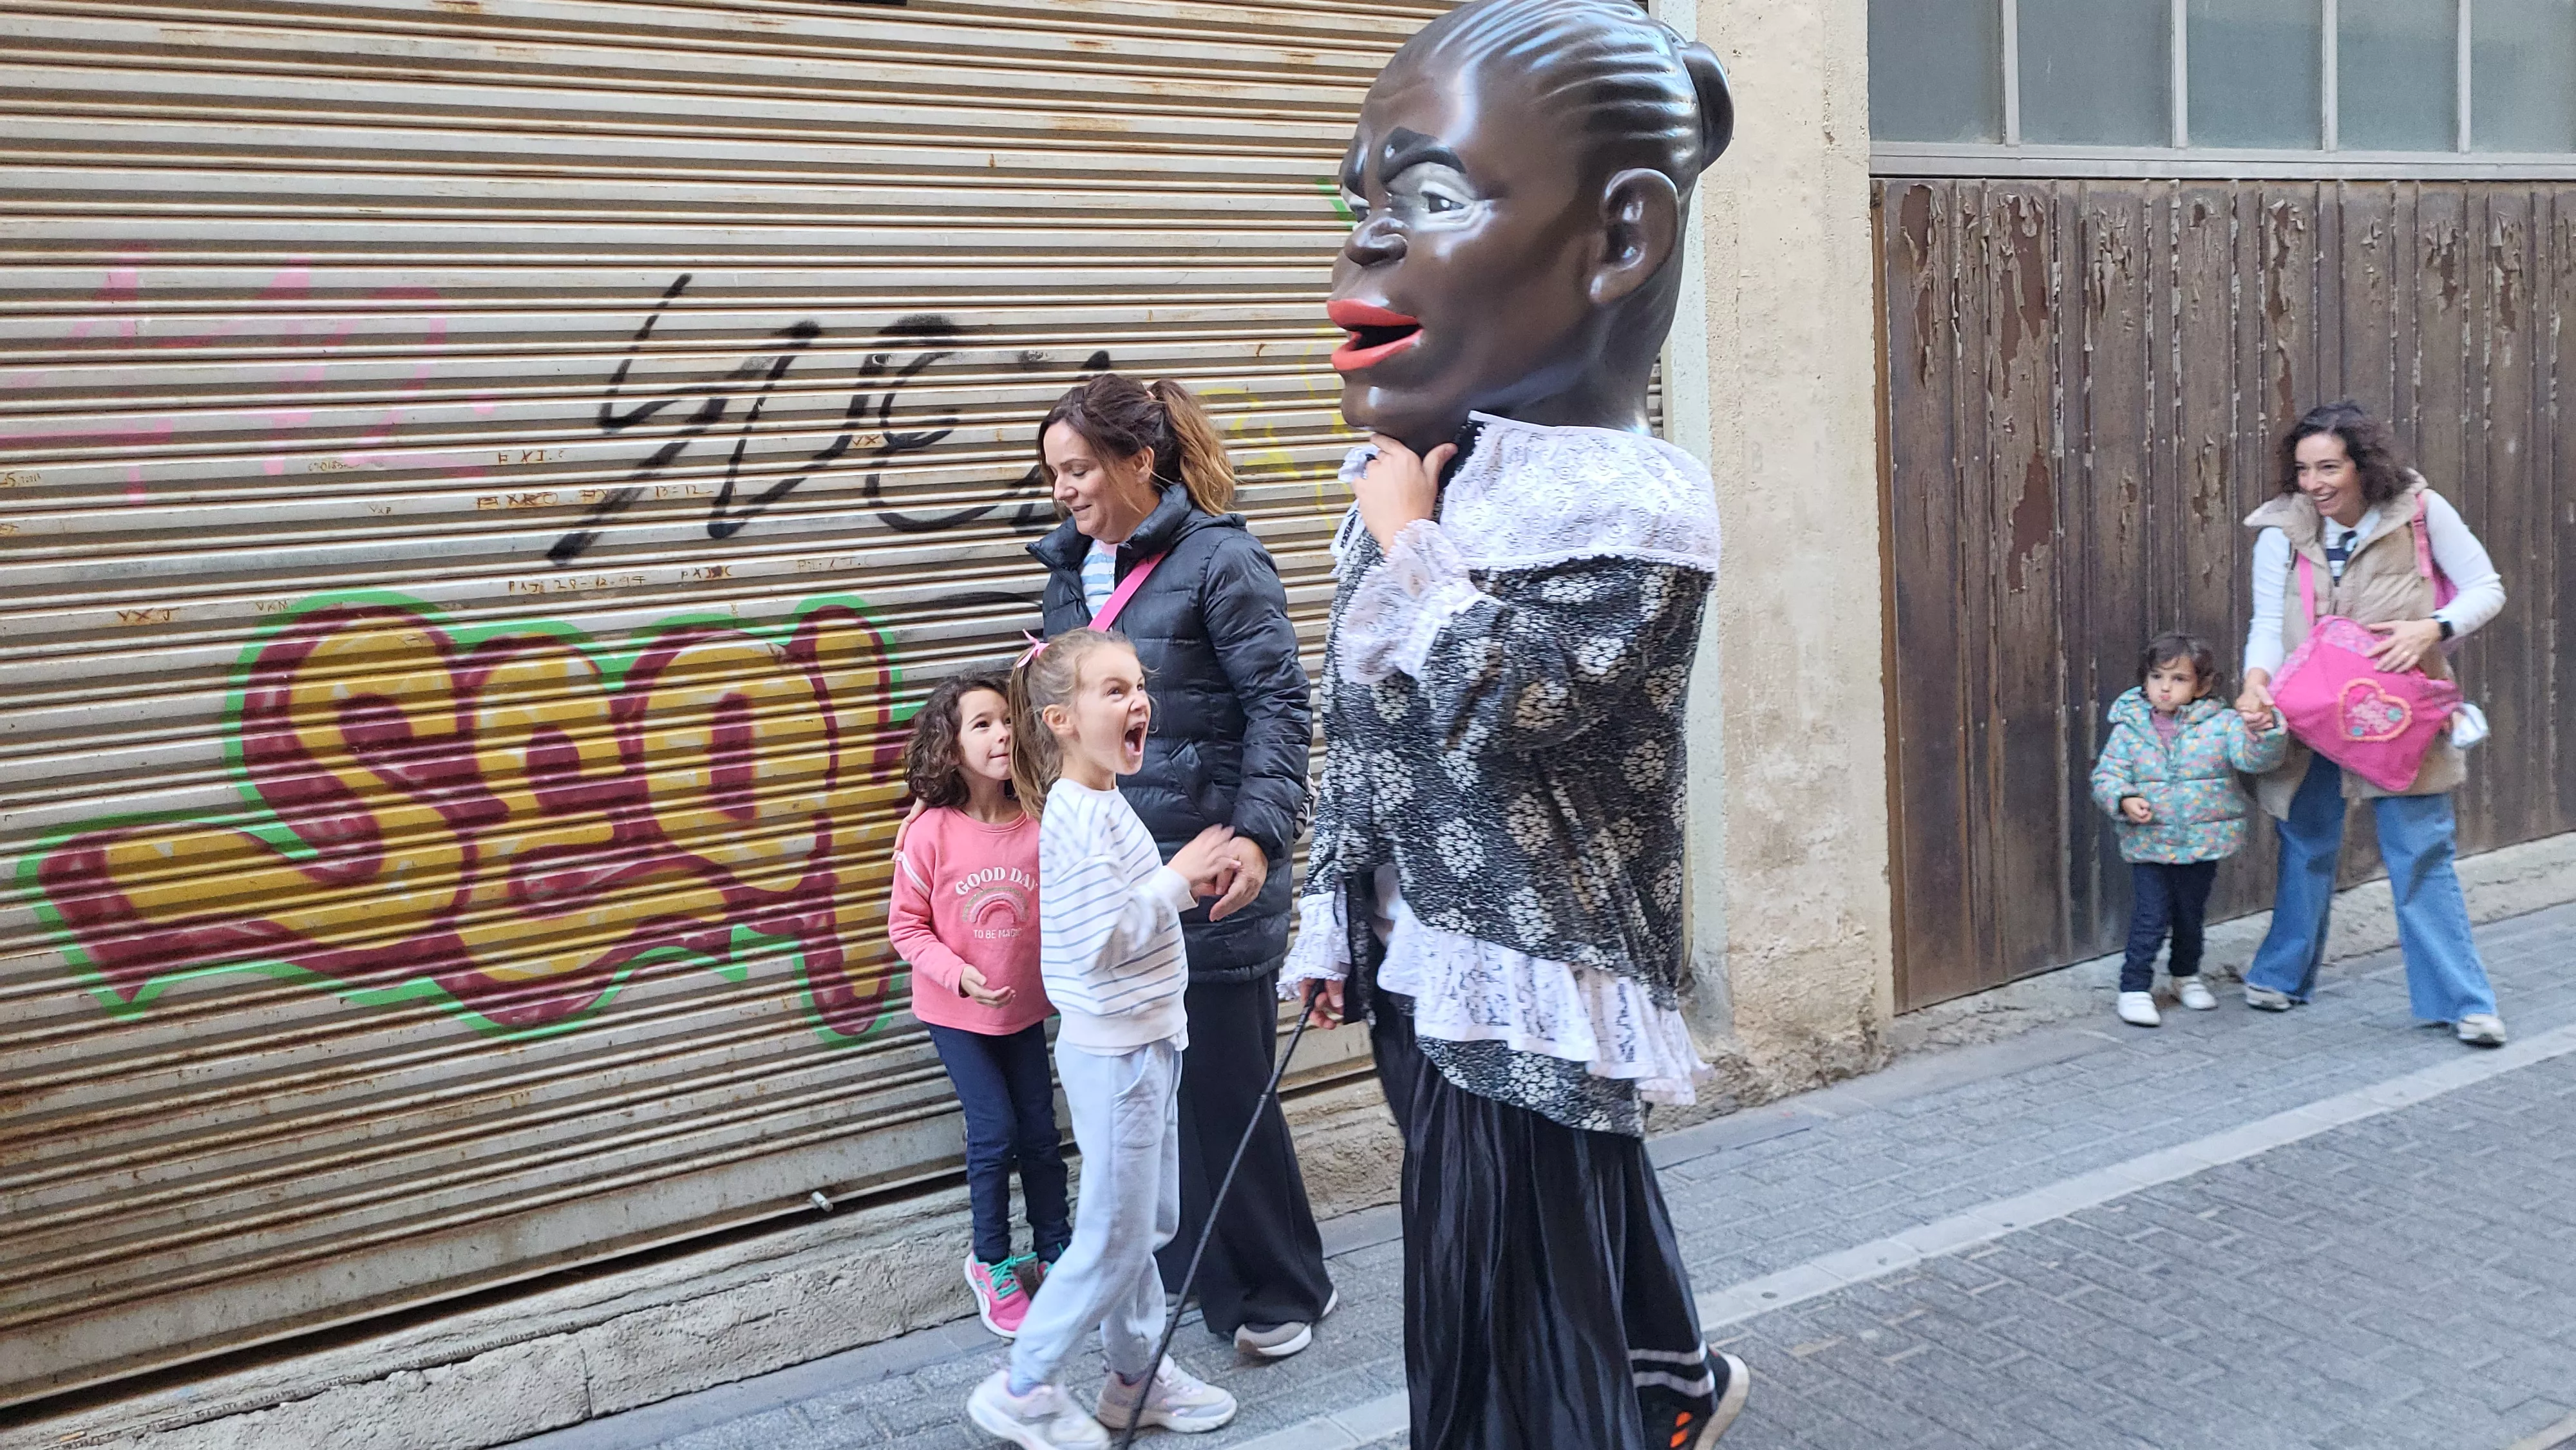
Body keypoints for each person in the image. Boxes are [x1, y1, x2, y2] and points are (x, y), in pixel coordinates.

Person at [1286, 3, 1748, 1445]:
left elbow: (1515, 698)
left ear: (1620, 240)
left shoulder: (1630, 499)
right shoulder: (1426, 471)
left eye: (1429, 196)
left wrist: (1410, 545)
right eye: (1359, 201)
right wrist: (1327, 905)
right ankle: (1671, 1382)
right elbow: (1362, 715)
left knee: (1492, 1268)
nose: (1369, 241)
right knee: (1552, 1213)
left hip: (1535, 951)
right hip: (1417, 939)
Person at [1026, 373, 1333, 1357]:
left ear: (1138, 461)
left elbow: (1280, 707)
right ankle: (1200, 1276)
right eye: (1053, 473)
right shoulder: (1069, 575)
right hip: (1123, 877)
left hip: (1211, 866)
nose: (1063, 490)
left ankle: (1285, 1285)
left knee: (1224, 1089)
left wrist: (1257, 836)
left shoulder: (1219, 559)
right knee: (1156, 1098)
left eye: (1078, 469)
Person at [964, 628, 1240, 1450]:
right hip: (1117, 1054)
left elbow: (1122, 915)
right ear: (1061, 719)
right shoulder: (1076, 817)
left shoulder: (1102, 802)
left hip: (1143, 1040)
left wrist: (1174, 884)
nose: (1138, 701)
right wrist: (1175, 882)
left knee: (1141, 1221)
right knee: (1115, 1235)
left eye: (1138, 686)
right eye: (1114, 690)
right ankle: (1024, 1384)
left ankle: (1133, 1380)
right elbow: (1095, 939)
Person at [2235, 400, 2508, 1046]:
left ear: (2363, 464)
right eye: (2303, 469)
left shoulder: (2421, 512)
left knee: (2420, 851)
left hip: (2396, 717)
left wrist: (2431, 628)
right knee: (2306, 842)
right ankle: (2280, 976)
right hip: (2309, 713)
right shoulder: (2281, 530)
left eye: (2329, 467)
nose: (2314, 483)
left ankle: (2463, 1003)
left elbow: (2486, 587)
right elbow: (2267, 624)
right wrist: (2255, 682)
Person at [889, 672, 1068, 1339]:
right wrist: (959, 975)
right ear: (951, 745)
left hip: (1023, 1009)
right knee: (994, 1131)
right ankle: (990, 1260)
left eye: (1007, 720)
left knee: (1042, 1132)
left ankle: (1055, 1249)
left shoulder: (1041, 820)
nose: (1001, 734)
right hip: (956, 1013)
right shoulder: (929, 833)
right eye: (981, 724)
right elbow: (905, 927)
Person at [2089, 634, 2287, 1028]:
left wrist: (2264, 732)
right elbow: (2107, 776)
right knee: (2150, 915)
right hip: (2150, 841)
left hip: (2201, 842)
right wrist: (2124, 798)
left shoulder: (2222, 724)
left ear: (2202, 685)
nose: (2165, 687)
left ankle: (2185, 975)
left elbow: (2254, 760)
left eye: (2178, 679)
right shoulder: (2130, 727)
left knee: (2190, 914)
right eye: (2157, 677)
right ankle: (2134, 987)